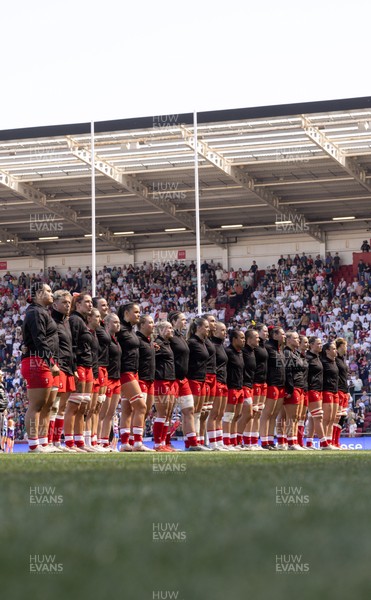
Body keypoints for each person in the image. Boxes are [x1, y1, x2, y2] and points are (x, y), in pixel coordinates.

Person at [21, 283, 60, 453]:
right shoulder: (35, 312)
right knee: (36, 404)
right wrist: (50, 363)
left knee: (45, 405)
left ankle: (43, 442)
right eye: (49, 291)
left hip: (40, 359)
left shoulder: (40, 311)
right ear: (38, 293)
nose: (52, 294)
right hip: (37, 361)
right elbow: (39, 339)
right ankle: (33, 444)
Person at [117, 302, 153, 452]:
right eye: (136, 312)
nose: (139, 315)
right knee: (141, 406)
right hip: (126, 372)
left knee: (127, 409)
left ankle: (125, 443)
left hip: (133, 372)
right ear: (126, 313)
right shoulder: (120, 329)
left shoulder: (130, 330)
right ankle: (137, 443)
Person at [63, 293, 95, 452]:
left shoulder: (82, 321)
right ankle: (69, 443)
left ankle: (80, 442)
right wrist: (73, 367)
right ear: (78, 305)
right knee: (74, 406)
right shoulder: (75, 320)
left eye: (91, 302)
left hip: (87, 366)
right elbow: (72, 345)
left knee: (83, 407)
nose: (90, 304)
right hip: (80, 365)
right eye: (87, 302)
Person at [169, 311, 204, 451]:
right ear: (173, 321)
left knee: (189, 409)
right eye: (182, 319)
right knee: (167, 412)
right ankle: (164, 442)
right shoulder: (169, 337)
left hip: (184, 379)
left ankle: (192, 443)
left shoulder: (181, 337)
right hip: (172, 378)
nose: (185, 322)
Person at [50, 290, 76, 452]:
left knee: (62, 407)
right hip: (58, 367)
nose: (68, 305)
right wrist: (54, 364)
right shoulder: (52, 322)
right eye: (64, 302)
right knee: (54, 405)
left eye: (69, 303)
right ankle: (47, 441)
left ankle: (57, 442)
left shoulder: (66, 322)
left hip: (68, 368)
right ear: (55, 304)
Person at [259, 327, 286, 450]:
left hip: (280, 385)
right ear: (274, 335)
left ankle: (270, 440)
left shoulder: (280, 350)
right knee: (267, 414)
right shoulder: (268, 348)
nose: (284, 336)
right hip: (272, 384)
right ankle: (264, 441)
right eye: (282, 334)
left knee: (274, 415)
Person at [99, 312, 122, 450]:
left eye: (118, 322)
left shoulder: (115, 340)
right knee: (102, 413)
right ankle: (98, 441)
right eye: (115, 322)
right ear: (107, 323)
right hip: (107, 377)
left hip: (116, 379)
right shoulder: (105, 339)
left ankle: (105, 441)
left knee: (110, 413)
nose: (118, 324)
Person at [153, 321, 177, 452]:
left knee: (167, 414)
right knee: (162, 413)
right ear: (161, 330)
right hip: (161, 381)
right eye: (169, 328)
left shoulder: (167, 344)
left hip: (170, 381)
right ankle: (158, 444)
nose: (172, 330)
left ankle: (164, 443)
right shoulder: (158, 344)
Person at [187, 317, 210, 445]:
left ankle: (198, 441)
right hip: (193, 379)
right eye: (206, 327)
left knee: (198, 413)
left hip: (202, 379)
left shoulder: (203, 343)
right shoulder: (191, 343)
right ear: (198, 328)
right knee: (193, 411)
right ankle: (192, 441)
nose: (208, 329)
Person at [92, 297, 111, 450]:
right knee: (92, 407)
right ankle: (90, 440)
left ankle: (96, 440)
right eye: (103, 305)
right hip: (96, 366)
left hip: (104, 367)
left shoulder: (102, 325)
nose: (106, 307)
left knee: (99, 407)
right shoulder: (95, 327)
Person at [306, 337, 331, 449]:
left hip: (319, 390)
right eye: (318, 344)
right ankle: (324, 443)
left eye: (321, 344)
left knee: (312, 417)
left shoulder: (318, 357)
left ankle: (309, 443)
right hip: (312, 389)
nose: (321, 345)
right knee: (318, 417)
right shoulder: (308, 357)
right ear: (311, 345)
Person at [283, 331, 306, 450]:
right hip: (294, 387)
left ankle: (294, 440)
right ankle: (290, 442)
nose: (298, 340)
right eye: (295, 338)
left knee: (297, 416)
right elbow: (288, 372)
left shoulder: (296, 353)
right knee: (291, 417)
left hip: (300, 386)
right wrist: (290, 389)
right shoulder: (287, 353)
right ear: (288, 340)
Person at [208, 321, 229, 451]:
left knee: (220, 414)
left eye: (225, 330)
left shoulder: (221, 345)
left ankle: (219, 441)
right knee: (214, 413)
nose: (225, 333)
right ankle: (212, 442)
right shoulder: (213, 345)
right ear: (215, 331)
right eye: (222, 330)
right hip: (217, 381)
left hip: (223, 380)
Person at [237, 328, 259, 450]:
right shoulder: (244, 352)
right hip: (244, 385)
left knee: (250, 414)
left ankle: (243, 441)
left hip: (250, 385)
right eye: (256, 337)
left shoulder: (252, 351)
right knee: (247, 414)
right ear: (249, 339)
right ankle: (237, 441)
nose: (259, 339)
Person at [224, 329, 245, 450]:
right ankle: (227, 442)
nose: (244, 340)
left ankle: (234, 441)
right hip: (231, 387)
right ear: (234, 339)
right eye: (241, 338)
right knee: (228, 416)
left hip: (239, 387)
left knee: (237, 416)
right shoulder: (228, 352)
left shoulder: (240, 353)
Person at [321, 341, 339, 448]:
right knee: (326, 418)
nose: (335, 350)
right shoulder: (323, 362)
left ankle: (330, 441)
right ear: (327, 351)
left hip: (335, 391)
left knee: (332, 418)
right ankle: (324, 442)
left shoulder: (334, 362)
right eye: (333, 349)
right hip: (326, 390)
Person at [334, 338, 350, 449]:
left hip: (344, 391)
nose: (346, 348)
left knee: (342, 417)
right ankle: (333, 441)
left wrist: (347, 391)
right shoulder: (334, 359)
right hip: (338, 390)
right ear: (340, 347)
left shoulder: (342, 359)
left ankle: (337, 441)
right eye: (345, 346)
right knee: (337, 416)